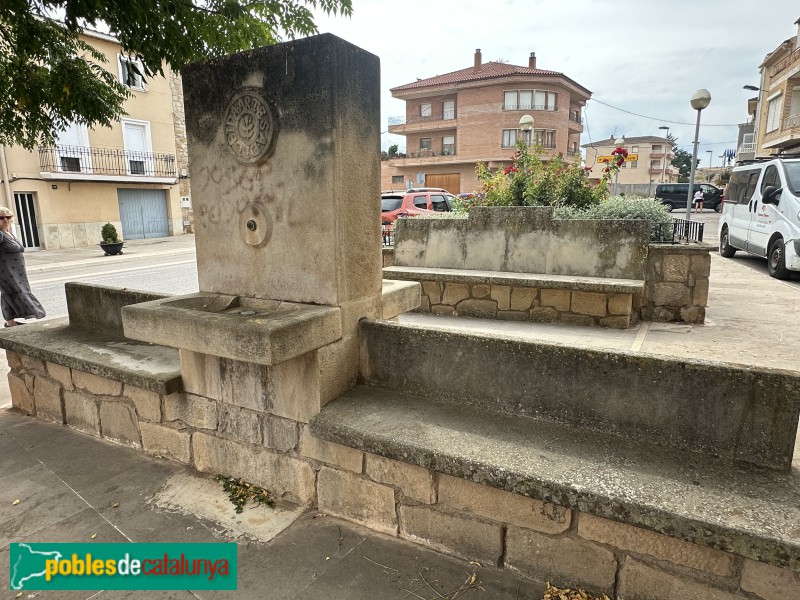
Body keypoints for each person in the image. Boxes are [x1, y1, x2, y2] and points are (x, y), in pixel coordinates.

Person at [0, 207, 45, 327]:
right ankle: (36, 312)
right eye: (1, 217)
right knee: (17, 290)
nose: (5, 219)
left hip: (17, 270)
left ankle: (10, 322)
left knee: (8, 292)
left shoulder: (7, 231)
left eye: (8, 217)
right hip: (6, 270)